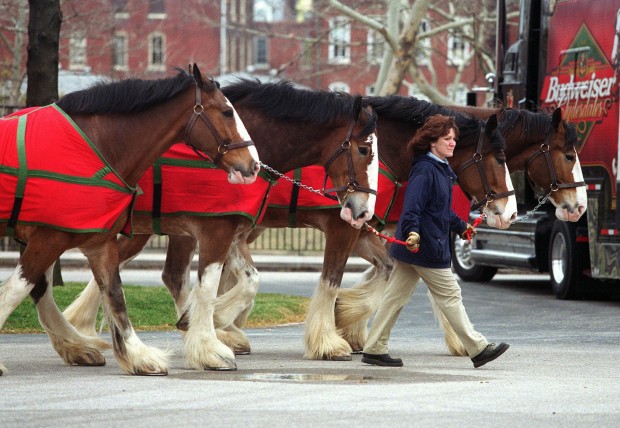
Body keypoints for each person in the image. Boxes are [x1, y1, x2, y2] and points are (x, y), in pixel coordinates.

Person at [361, 114, 509, 368]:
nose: (452, 143)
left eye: (454, 139)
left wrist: (461, 227)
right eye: (447, 139)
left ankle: (374, 348)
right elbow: (412, 208)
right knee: (450, 294)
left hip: (420, 247)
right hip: (425, 246)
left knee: (394, 298)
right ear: (432, 142)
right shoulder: (425, 169)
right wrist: (411, 233)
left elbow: (439, 210)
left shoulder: (440, 168)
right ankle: (479, 348)